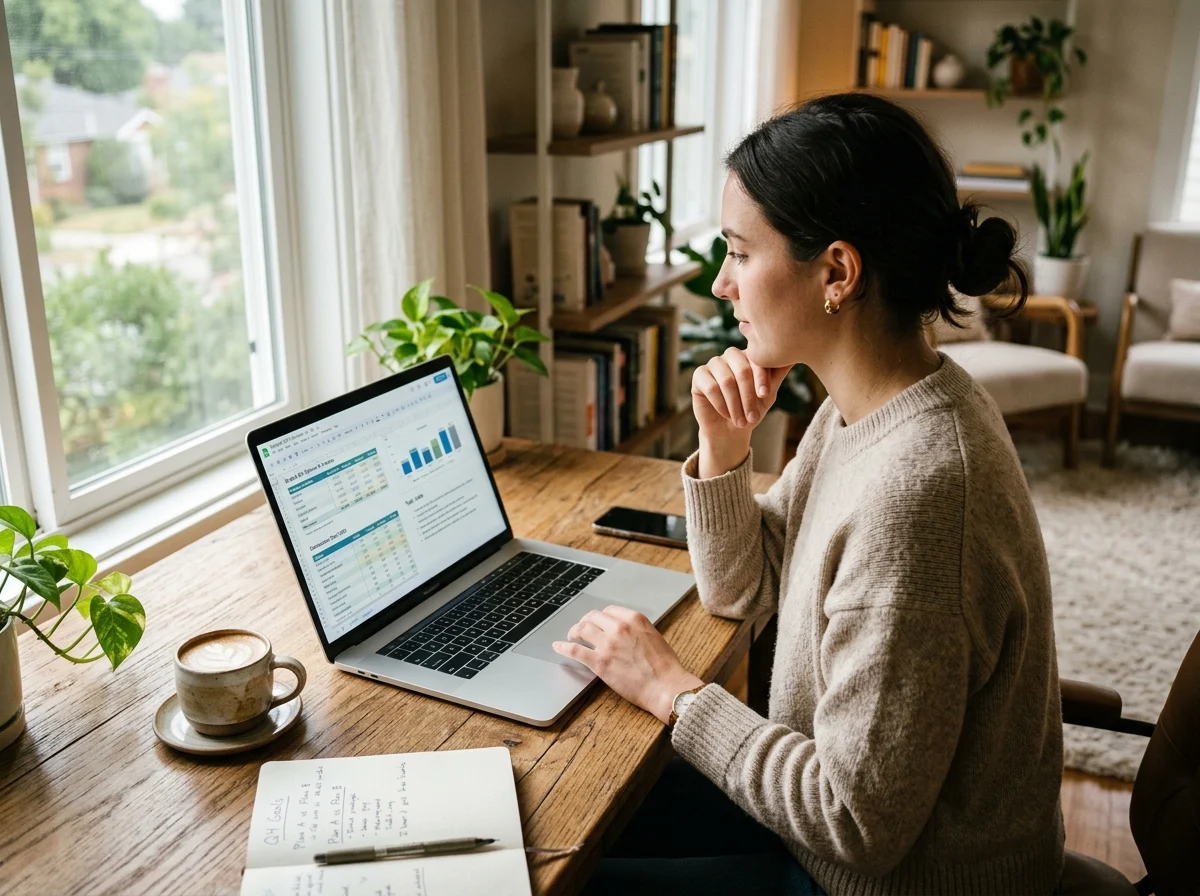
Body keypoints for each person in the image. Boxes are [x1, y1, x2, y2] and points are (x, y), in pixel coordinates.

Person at [553, 92, 1065, 895]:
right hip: (818, 822)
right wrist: (724, 454)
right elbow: (744, 591)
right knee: (560, 819)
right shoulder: (869, 406)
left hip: (877, 877)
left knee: (567, 876)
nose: (722, 284)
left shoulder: (919, 494)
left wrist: (674, 691)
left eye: (739, 252)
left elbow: (855, 825)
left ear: (837, 272)